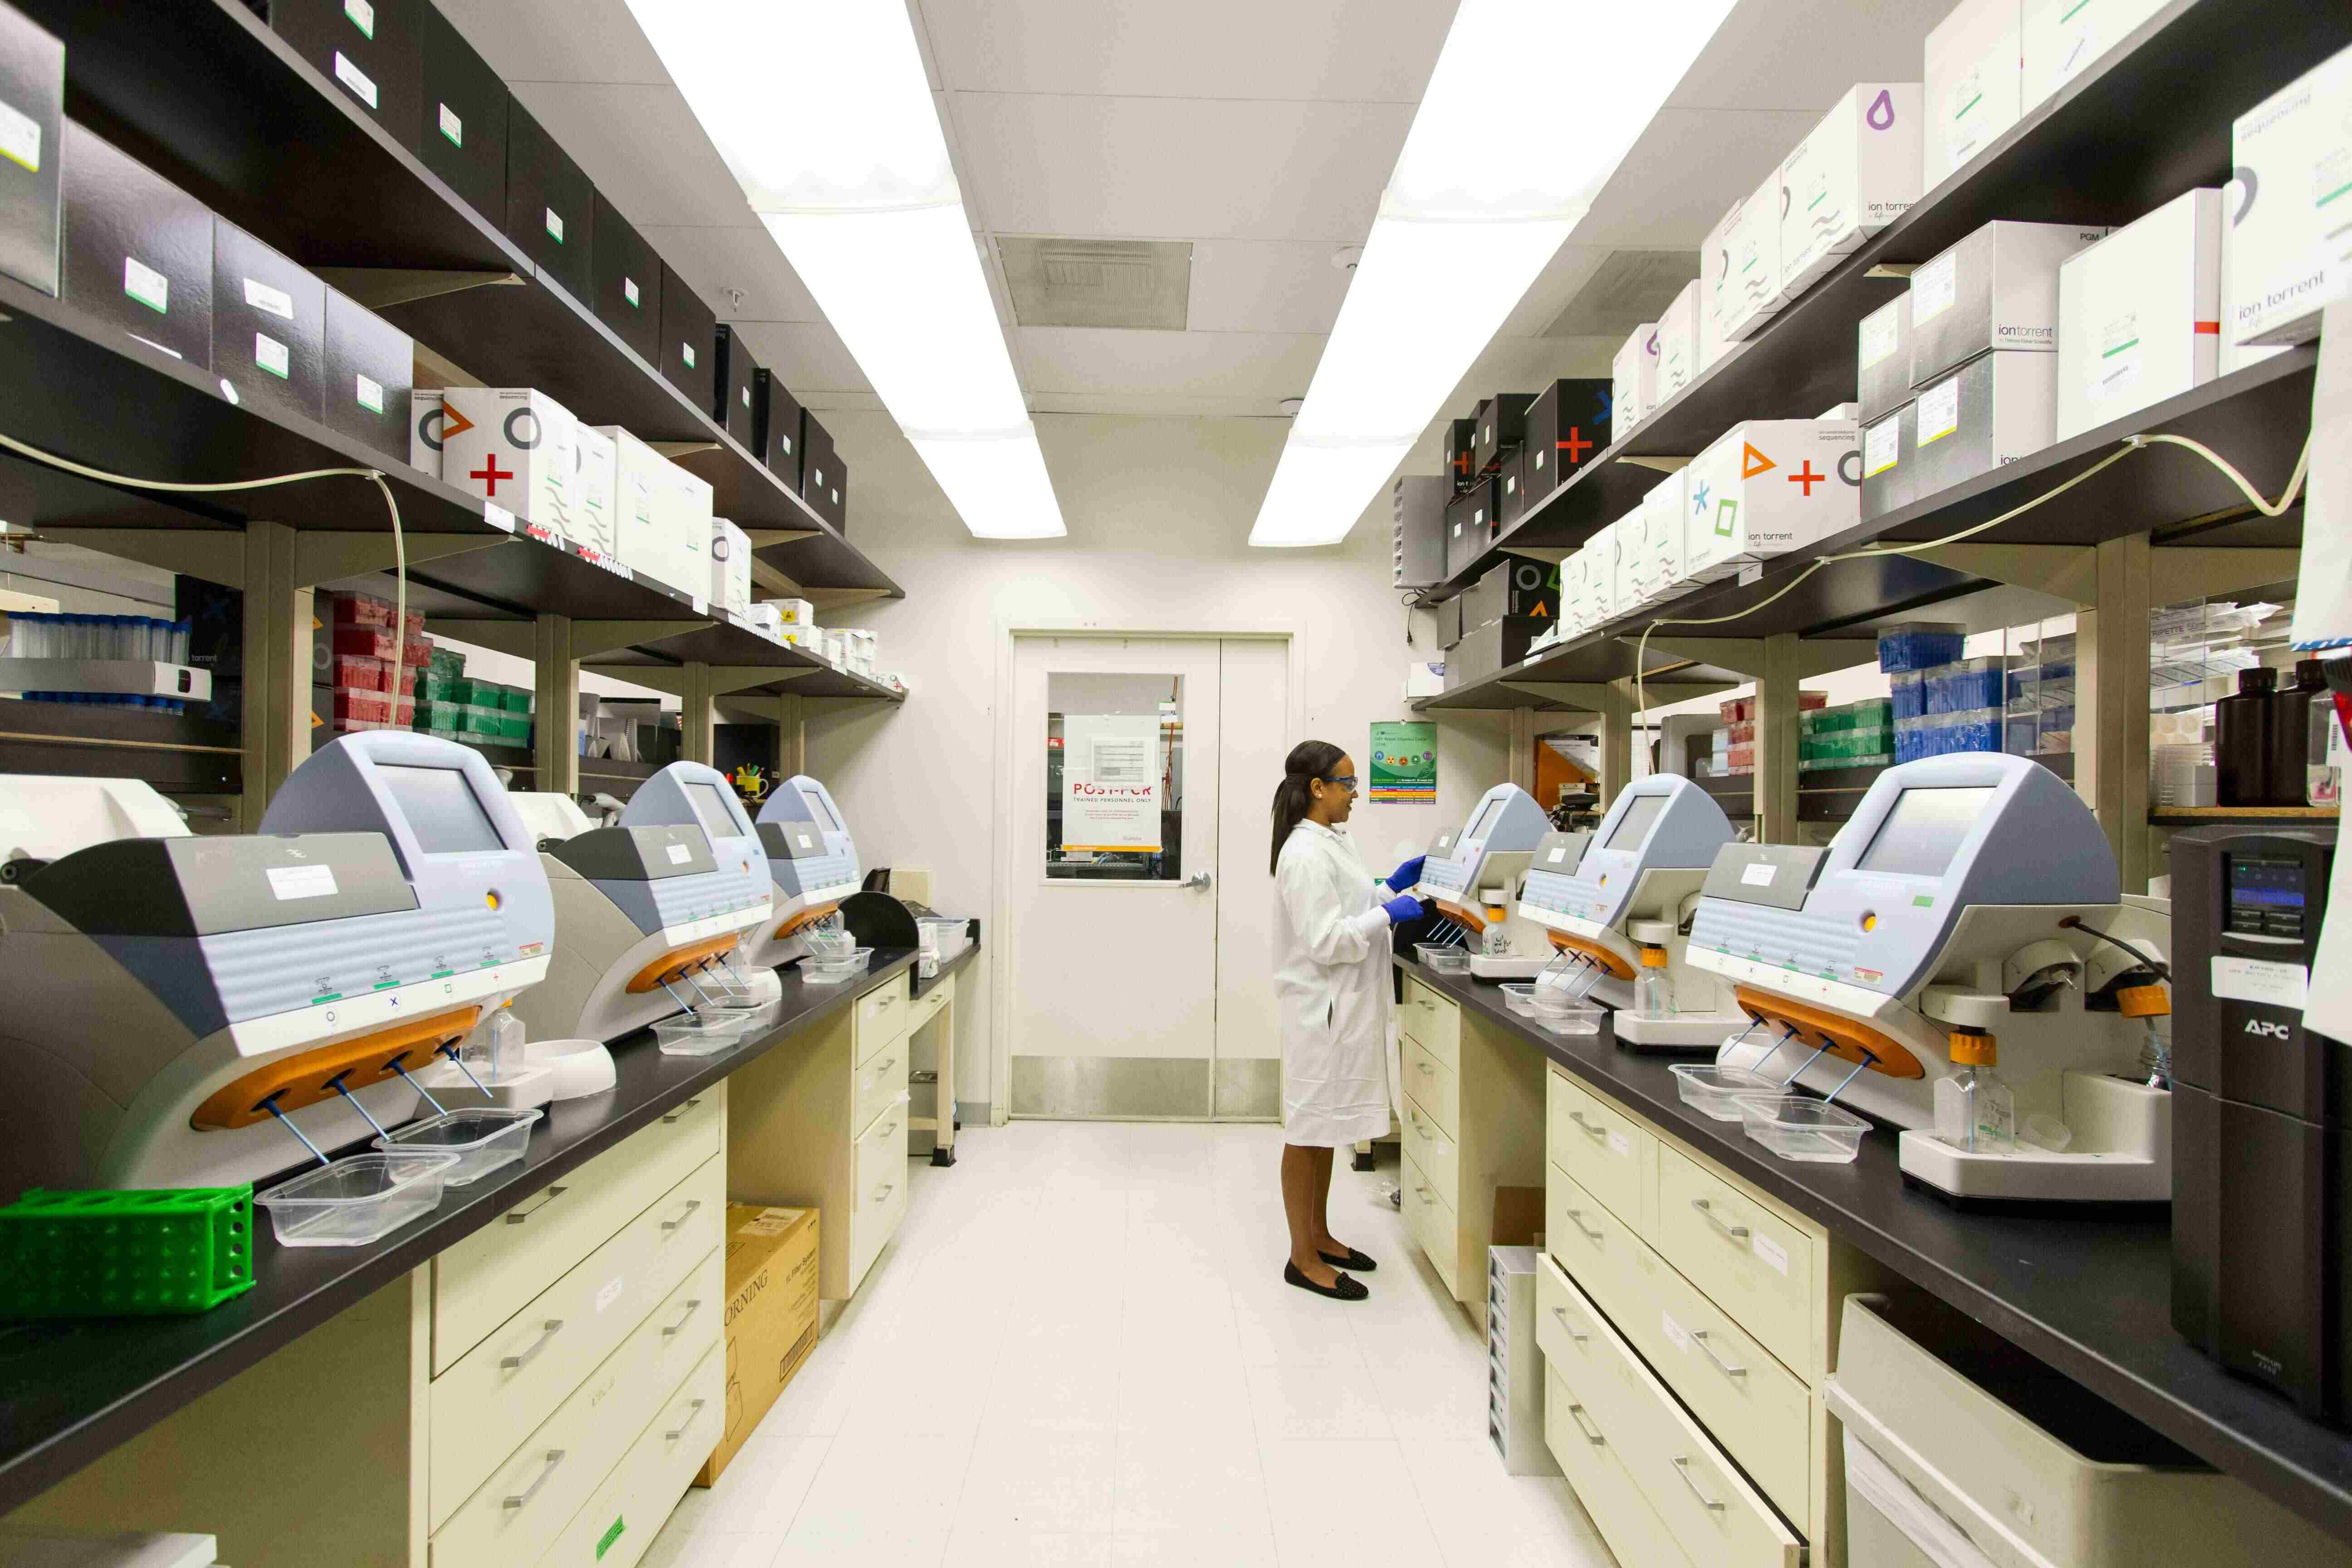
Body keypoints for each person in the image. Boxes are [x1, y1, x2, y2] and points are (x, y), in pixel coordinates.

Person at [1269, 740, 1426, 1300]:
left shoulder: (1333, 841)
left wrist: (1388, 889)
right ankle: (1301, 1258)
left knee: (1326, 1130)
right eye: (1349, 784)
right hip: (1319, 1013)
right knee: (1307, 1130)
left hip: (1338, 1010)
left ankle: (1321, 1235)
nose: (1355, 795)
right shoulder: (1304, 853)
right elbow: (1327, 938)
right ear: (1318, 789)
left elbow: (1348, 907)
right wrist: (1388, 914)